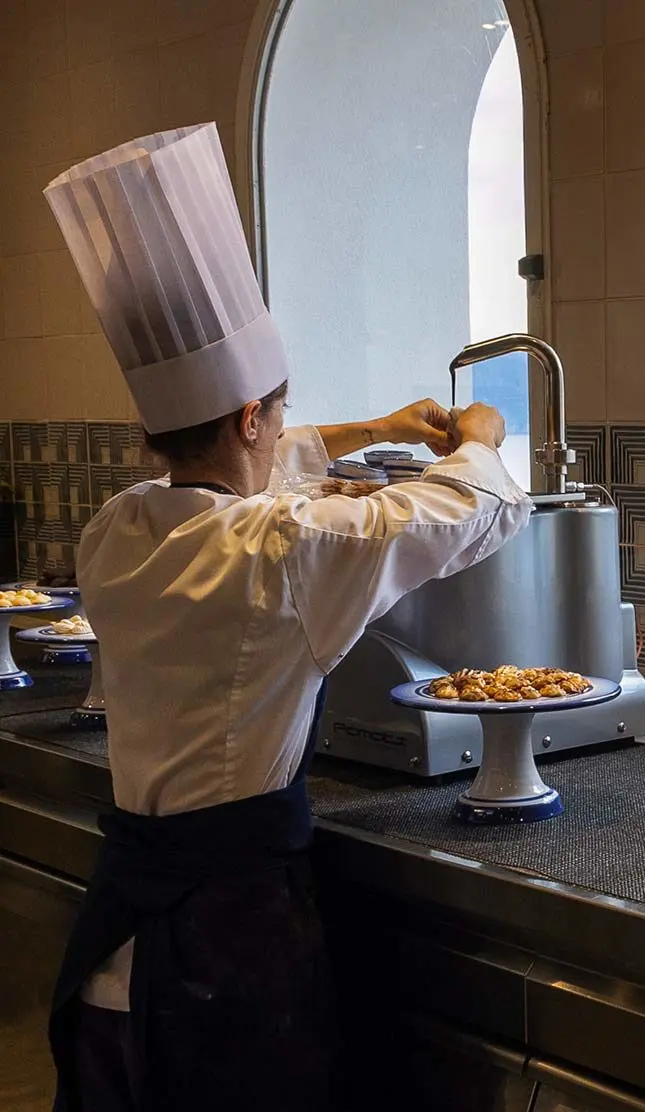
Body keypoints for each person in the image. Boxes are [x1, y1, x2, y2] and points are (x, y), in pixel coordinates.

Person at [42, 124, 534, 1111]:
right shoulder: (283, 554)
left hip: (116, 944)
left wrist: (378, 428)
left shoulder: (115, 529)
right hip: (222, 961)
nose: (282, 428)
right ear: (250, 417)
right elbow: (475, 510)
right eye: (275, 408)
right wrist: (479, 435)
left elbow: (266, 458)